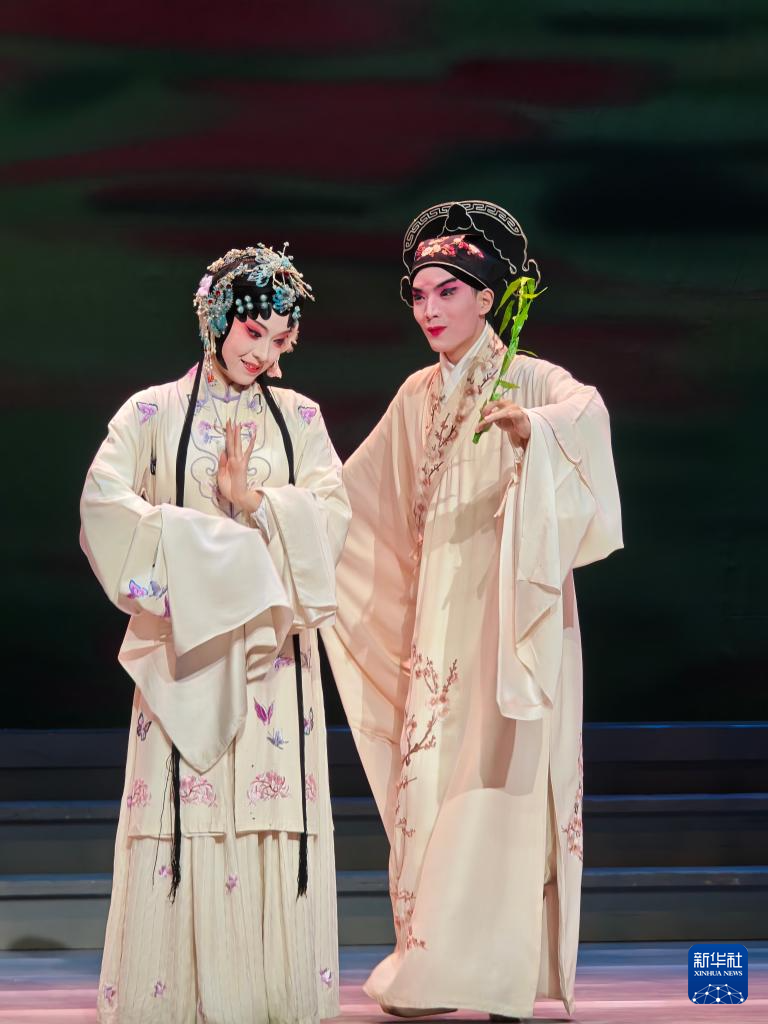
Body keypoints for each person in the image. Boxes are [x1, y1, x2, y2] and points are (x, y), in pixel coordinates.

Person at [323, 201, 623, 1020]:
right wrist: (276, 515)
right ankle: (433, 969)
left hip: (509, 619)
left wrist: (536, 429)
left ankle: (502, 979)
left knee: (503, 786)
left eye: (448, 292)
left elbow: (587, 414)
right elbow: (352, 497)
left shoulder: (530, 376)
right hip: (435, 623)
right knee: (431, 785)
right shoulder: (417, 393)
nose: (429, 310)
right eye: (419, 295)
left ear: (488, 298)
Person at [80, 244, 350, 1024]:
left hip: (273, 660)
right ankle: (177, 992)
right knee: (185, 802)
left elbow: (333, 516)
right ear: (219, 319)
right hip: (190, 645)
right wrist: (207, 552)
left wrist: (257, 504)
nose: (262, 353)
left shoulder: (301, 420)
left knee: (269, 803)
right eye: (253, 332)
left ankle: (268, 992)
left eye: (278, 339)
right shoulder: (151, 413)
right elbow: (102, 504)